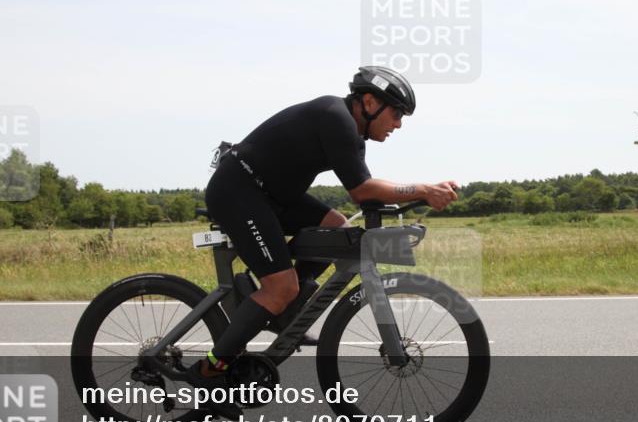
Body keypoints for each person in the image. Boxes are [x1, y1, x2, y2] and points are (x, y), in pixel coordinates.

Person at [187, 65, 459, 386]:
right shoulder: (335, 117)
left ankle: (282, 309)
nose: (398, 124)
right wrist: (424, 190)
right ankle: (211, 369)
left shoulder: (354, 137)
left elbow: (365, 190)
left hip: (272, 193)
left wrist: (411, 197)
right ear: (370, 103)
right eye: (397, 114)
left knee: (337, 227)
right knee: (280, 287)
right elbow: (362, 190)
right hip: (239, 190)